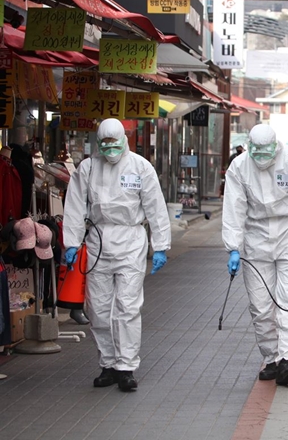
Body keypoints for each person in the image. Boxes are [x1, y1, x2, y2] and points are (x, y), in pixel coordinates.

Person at [62, 118, 171, 392]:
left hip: (131, 241)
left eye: (115, 143)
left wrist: (160, 246)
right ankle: (107, 363)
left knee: (127, 306)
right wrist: (71, 243)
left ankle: (126, 366)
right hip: (98, 241)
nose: (111, 149)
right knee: (97, 308)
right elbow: (74, 207)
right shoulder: (87, 168)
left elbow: (156, 208)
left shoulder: (140, 167)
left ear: (125, 139)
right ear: (98, 143)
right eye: (105, 144)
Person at [222, 124, 288, 386]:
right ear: (249, 146)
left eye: (266, 151)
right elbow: (233, 208)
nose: (261, 156)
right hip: (256, 237)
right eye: (256, 151)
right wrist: (233, 247)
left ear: (276, 146)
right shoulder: (239, 167)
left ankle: (287, 358)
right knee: (260, 305)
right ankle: (270, 357)